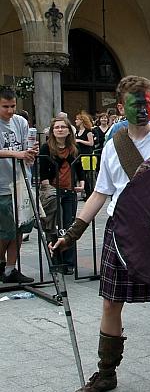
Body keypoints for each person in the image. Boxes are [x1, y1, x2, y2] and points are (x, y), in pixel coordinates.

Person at [51, 76, 150, 392]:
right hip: (122, 232)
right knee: (110, 303)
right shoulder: (113, 148)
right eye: (135, 104)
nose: (143, 109)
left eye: (147, 102)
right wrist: (72, 233)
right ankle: (106, 373)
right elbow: (100, 193)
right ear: (120, 108)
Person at [38, 116, 85, 274]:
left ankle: (69, 262)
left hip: (69, 190)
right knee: (54, 228)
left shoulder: (74, 147)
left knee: (69, 226)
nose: (60, 130)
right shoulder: (46, 148)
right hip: (53, 191)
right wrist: (47, 189)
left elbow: (79, 167)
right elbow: (43, 170)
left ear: (68, 130)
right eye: (56, 127)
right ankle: (56, 261)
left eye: (63, 127)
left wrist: (82, 183)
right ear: (52, 131)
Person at [0, 87, 37, 283]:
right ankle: (1, 264)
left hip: (21, 182)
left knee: (20, 228)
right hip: (2, 185)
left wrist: (31, 152)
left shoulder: (20, 122)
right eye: (5, 106)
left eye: (13, 106)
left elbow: (26, 149)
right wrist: (16, 154)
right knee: (5, 230)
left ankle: (10, 269)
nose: (10, 110)